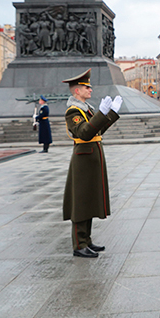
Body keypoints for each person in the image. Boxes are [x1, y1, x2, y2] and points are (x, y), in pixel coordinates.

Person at [62, 68, 123, 258]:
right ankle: (79, 245)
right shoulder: (73, 112)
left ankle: (86, 240)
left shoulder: (86, 109)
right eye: (86, 87)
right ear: (76, 91)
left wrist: (111, 114)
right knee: (80, 203)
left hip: (91, 159)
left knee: (88, 201)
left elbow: (98, 131)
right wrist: (101, 113)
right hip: (83, 161)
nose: (90, 90)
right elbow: (84, 132)